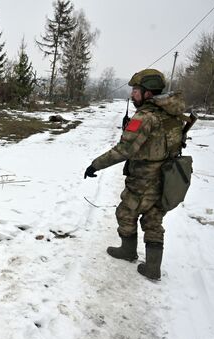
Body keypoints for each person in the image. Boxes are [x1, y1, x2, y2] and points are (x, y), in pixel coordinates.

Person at [84, 69, 186, 280]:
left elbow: (124, 150)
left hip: (144, 179)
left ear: (148, 93)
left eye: (136, 90)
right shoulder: (172, 114)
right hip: (166, 177)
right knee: (153, 218)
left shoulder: (144, 117)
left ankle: (128, 251)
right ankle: (152, 268)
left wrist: (95, 165)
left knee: (125, 212)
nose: (132, 94)